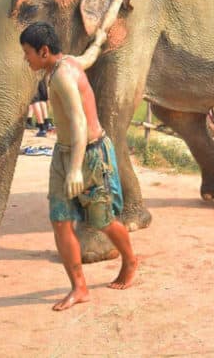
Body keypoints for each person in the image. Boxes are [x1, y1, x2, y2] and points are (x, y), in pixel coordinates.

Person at [19, 21, 137, 311]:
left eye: (27, 53)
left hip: (91, 155)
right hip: (64, 153)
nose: (26, 59)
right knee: (60, 220)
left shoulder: (62, 75)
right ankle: (79, 287)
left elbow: (79, 121)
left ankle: (130, 261)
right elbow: (89, 57)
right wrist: (98, 41)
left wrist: (75, 169)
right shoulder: (67, 63)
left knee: (102, 220)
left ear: (43, 51)